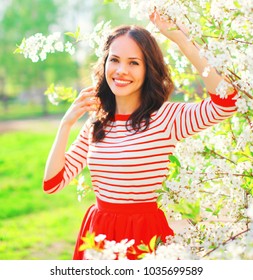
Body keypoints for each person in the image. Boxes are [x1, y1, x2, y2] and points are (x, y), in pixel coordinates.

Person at [43, 10, 237, 260]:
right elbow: (52, 183)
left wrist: (180, 40)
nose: (121, 70)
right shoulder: (97, 123)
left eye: (134, 62)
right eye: (114, 60)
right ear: (105, 64)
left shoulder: (166, 118)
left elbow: (226, 103)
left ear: (149, 70)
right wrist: (65, 125)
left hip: (144, 235)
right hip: (98, 235)